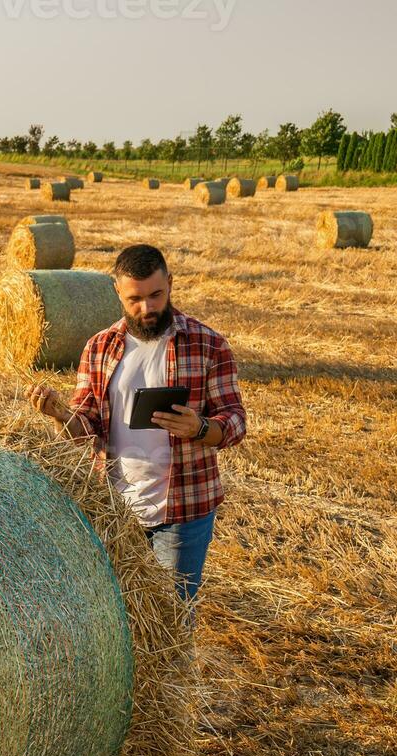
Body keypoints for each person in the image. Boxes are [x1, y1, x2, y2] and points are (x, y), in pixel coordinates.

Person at [27, 244, 247, 618]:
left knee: (170, 621)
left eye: (156, 295)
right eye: (135, 299)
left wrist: (200, 427)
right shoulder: (98, 348)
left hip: (182, 509)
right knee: (115, 620)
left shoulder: (207, 344)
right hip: (114, 509)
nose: (147, 308)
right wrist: (60, 415)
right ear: (117, 293)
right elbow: (88, 431)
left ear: (170, 285)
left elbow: (236, 421)